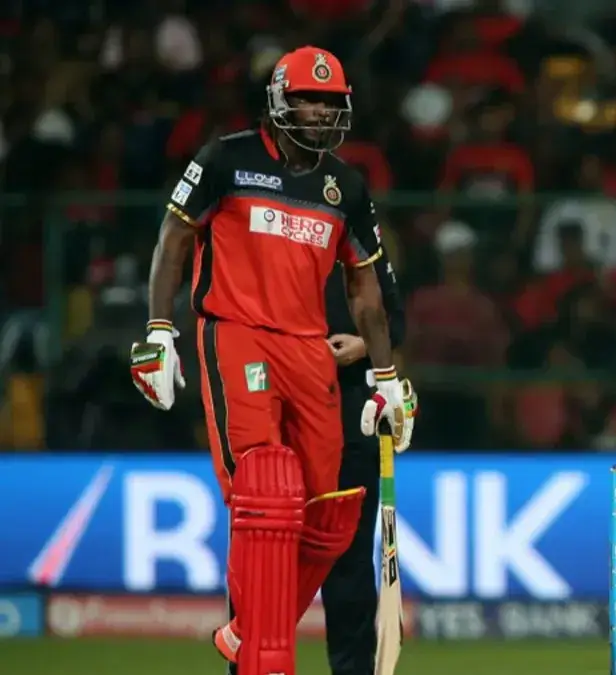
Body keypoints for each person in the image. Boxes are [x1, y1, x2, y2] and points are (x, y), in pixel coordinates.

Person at [129, 46, 417, 675]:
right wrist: (158, 330)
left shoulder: (345, 186)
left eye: (331, 102)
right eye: (309, 99)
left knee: (331, 513)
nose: (321, 112)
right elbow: (174, 238)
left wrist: (387, 377)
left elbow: (365, 290)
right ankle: (263, 655)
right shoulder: (225, 159)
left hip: (308, 348)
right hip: (237, 333)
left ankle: (248, 631)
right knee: (265, 491)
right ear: (280, 101)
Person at [322, 248, 406, 675]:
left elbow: (396, 320)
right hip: (289, 404)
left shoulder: (363, 248)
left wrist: (363, 346)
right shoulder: (285, 241)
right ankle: (260, 661)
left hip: (355, 412)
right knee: (274, 550)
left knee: (351, 558)